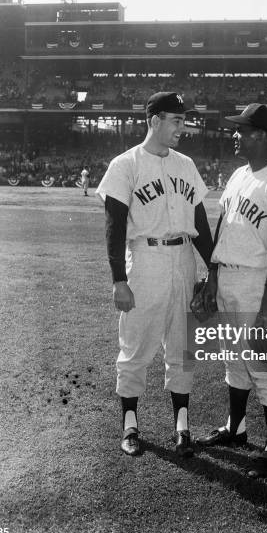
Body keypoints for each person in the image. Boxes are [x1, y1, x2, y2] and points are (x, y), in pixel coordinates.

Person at [95, 92, 214, 458]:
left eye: (184, 120)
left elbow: (200, 223)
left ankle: (182, 424)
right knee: (136, 345)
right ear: (154, 121)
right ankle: (130, 423)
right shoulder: (125, 164)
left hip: (184, 259)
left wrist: (213, 270)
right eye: (176, 121)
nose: (183, 127)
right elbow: (114, 227)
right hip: (144, 259)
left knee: (182, 345)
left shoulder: (186, 165)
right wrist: (119, 279)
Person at [196, 103, 267, 479]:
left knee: (264, 363)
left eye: (242, 130)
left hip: (259, 283)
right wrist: (211, 275)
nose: (236, 135)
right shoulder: (239, 175)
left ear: (261, 136)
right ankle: (236, 428)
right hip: (227, 276)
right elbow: (223, 227)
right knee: (233, 358)